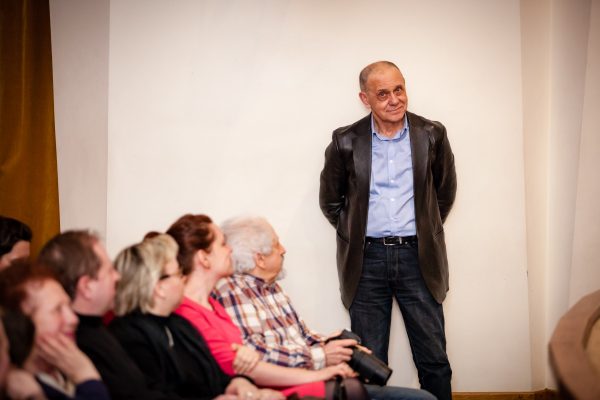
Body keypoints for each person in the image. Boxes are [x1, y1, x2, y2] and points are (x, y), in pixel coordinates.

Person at [319, 60, 457, 400]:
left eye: (399, 89)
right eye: (383, 94)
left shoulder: (432, 134)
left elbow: (444, 193)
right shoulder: (345, 140)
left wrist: (422, 230)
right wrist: (358, 235)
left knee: (434, 359)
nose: (394, 99)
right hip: (366, 262)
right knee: (369, 363)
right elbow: (331, 202)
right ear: (364, 99)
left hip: (418, 258)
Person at [214, 216, 436, 400]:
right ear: (260, 259)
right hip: (295, 388)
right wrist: (321, 356)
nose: (283, 250)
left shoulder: (272, 288)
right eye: (276, 244)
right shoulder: (234, 291)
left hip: (316, 378)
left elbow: (304, 336)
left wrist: (335, 345)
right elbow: (256, 355)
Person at [167, 214, 366, 400]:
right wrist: (321, 368)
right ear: (203, 258)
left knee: (358, 378)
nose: (229, 250)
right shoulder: (205, 304)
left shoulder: (213, 306)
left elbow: (245, 359)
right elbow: (246, 364)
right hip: (258, 386)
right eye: (222, 244)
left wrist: (335, 347)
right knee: (351, 388)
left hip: (254, 384)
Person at [109, 234, 282, 400]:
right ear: (159, 287)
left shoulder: (180, 324)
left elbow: (217, 377)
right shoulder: (128, 335)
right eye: (179, 274)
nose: (184, 279)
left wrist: (241, 384)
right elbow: (146, 395)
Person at [38, 230, 178, 400]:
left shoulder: (98, 328)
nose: (117, 276)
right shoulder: (77, 343)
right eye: (110, 270)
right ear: (87, 286)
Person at [0, 260, 110, 400]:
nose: (73, 319)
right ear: (22, 322)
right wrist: (87, 378)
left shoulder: (64, 368)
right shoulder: (24, 390)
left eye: (69, 306)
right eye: (57, 310)